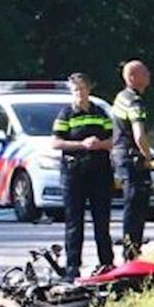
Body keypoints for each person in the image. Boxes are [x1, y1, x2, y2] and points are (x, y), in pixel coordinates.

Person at [52, 73, 115, 281]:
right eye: (75, 90)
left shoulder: (100, 112)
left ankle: (106, 264)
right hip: (74, 172)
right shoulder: (66, 114)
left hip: (99, 172)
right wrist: (81, 145)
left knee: (102, 220)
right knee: (74, 222)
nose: (79, 94)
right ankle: (72, 269)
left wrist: (99, 144)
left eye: (82, 89)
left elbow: (113, 139)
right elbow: (56, 142)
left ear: (89, 89)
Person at [112, 60, 154, 261]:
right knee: (136, 207)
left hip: (120, 155)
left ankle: (131, 250)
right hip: (132, 158)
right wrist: (148, 156)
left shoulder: (120, 97)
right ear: (132, 77)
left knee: (132, 204)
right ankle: (131, 253)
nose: (149, 75)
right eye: (144, 73)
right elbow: (139, 134)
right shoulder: (135, 102)